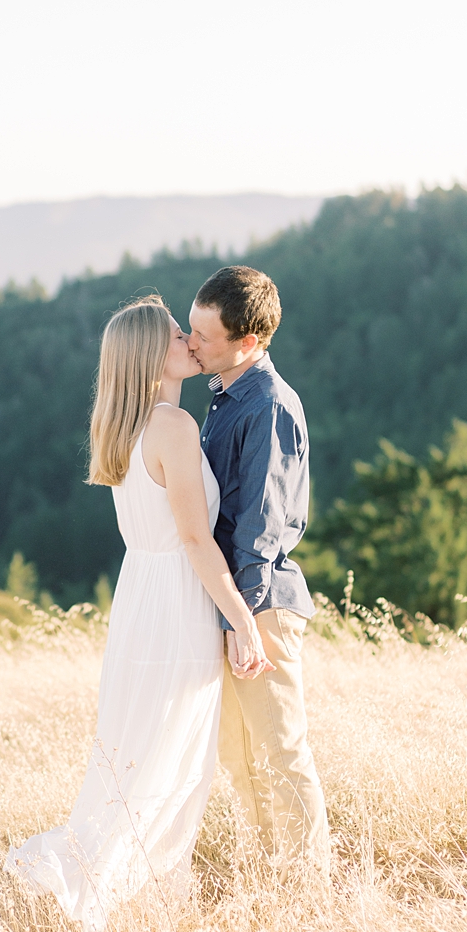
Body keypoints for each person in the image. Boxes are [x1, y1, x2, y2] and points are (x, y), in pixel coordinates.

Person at [5, 295, 271, 932]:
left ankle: (141, 909)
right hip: (177, 599)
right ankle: (112, 897)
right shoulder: (173, 429)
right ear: (152, 355)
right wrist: (242, 618)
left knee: (140, 753)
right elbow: (194, 539)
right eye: (178, 334)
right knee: (172, 759)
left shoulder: (125, 426)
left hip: (140, 599)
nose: (190, 339)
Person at [187, 265, 331, 874]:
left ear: (247, 343)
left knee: (280, 750)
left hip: (260, 603)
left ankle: (309, 888)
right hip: (236, 605)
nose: (190, 343)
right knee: (239, 756)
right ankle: (269, 876)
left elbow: (260, 529)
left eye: (203, 336)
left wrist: (238, 617)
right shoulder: (228, 395)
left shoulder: (268, 404)